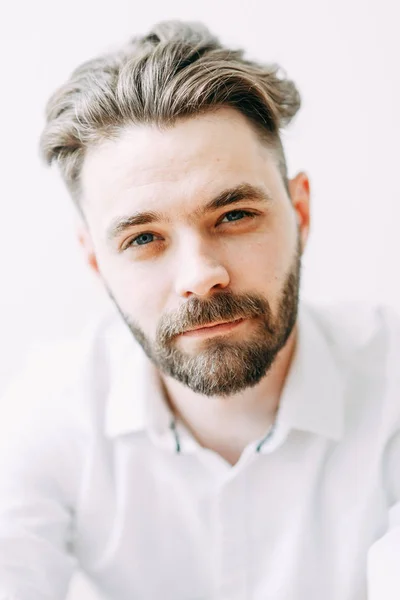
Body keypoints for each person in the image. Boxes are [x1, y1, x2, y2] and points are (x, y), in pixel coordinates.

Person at [0, 19, 399, 600]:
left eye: (234, 215)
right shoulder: (45, 412)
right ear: (94, 261)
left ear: (300, 213)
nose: (201, 276)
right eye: (142, 239)